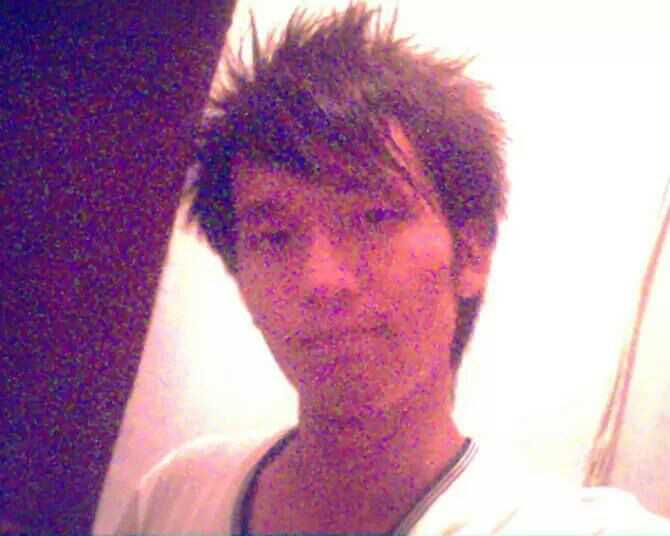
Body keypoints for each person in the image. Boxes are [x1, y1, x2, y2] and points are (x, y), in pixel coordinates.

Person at [115, 3, 670, 534]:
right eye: (275, 236)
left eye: (374, 217)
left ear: (471, 253)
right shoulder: (174, 496)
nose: (320, 279)